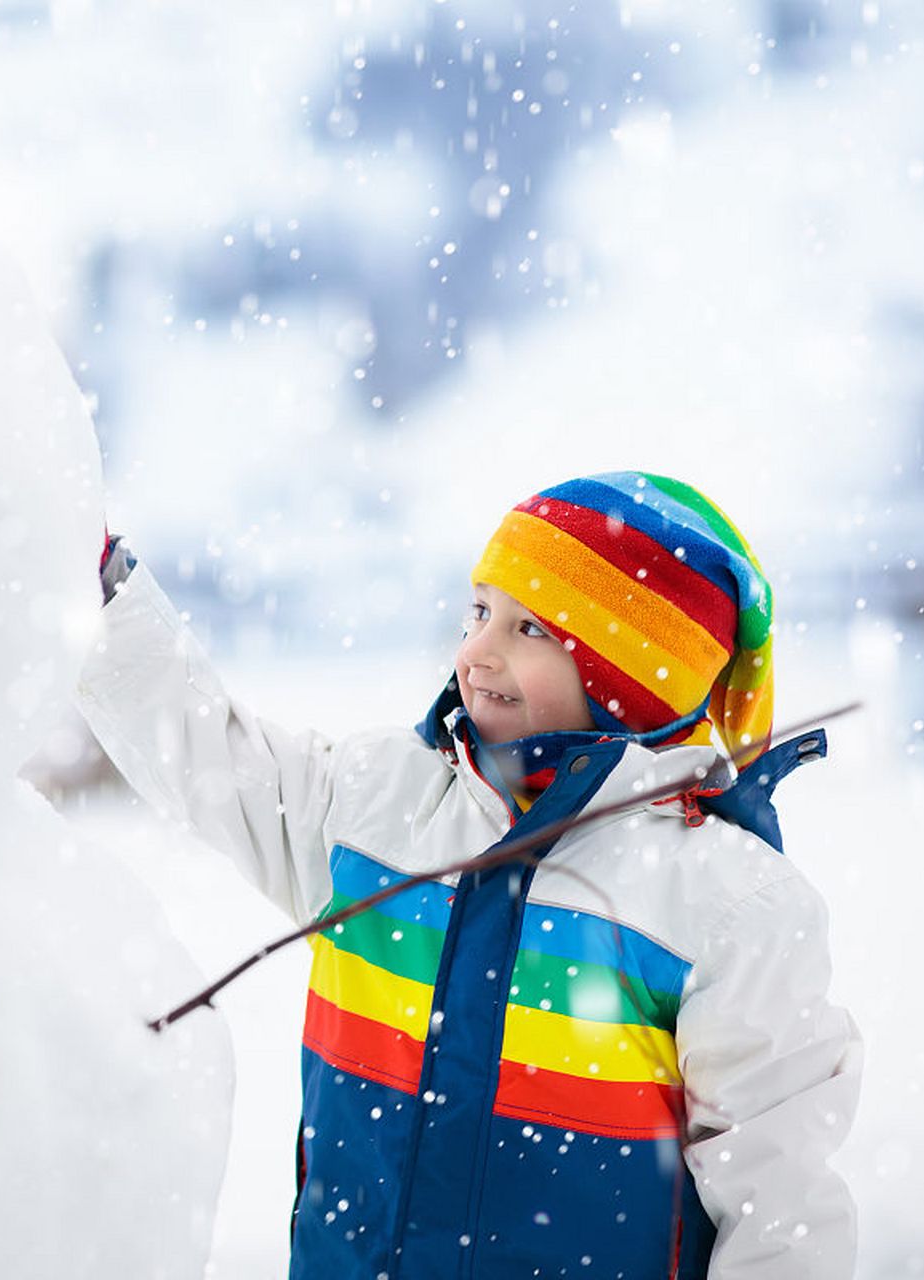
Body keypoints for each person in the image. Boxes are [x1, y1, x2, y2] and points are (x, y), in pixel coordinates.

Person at [77, 472, 861, 1279]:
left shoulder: (725, 904)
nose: (477, 652)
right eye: (480, 612)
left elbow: (781, 1208)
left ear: (629, 678)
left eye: (531, 629)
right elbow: (209, 753)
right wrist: (93, 581)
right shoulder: (379, 807)